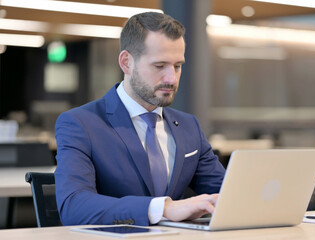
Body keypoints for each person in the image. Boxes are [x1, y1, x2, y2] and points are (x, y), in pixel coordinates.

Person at [54, 12, 225, 226]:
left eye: (177, 66)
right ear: (126, 63)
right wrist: (164, 208)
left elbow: (227, 194)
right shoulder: (80, 124)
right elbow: (74, 207)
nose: (171, 78)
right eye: (159, 65)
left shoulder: (189, 126)